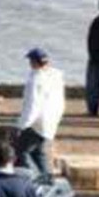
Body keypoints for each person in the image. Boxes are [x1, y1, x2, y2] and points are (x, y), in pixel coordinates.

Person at [16, 48, 65, 178]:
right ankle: (47, 178)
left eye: (30, 61)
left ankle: (36, 178)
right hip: (50, 121)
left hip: (37, 123)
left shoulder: (35, 80)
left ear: (34, 62)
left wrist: (22, 125)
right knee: (38, 152)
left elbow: (33, 105)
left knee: (21, 151)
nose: (29, 63)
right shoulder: (55, 76)